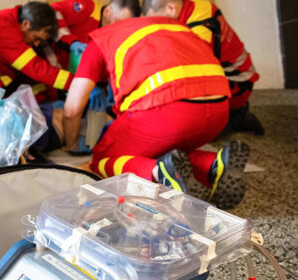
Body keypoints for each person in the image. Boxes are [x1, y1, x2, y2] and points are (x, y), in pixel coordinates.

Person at [62, 15, 249, 209]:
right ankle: (214, 165)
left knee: (103, 159)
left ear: (109, 14)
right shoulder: (174, 27)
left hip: (168, 112)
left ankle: (159, 172)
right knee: (172, 153)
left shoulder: (103, 37)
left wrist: (70, 145)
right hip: (219, 109)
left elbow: (72, 109)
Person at [142, 0, 263, 135]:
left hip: (237, 83)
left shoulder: (200, 28)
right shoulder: (196, 7)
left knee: (191, 127)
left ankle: (235, 116)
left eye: (158, 20)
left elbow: (193, 73)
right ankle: (233, 116)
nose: (157, 26)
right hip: (236, 75)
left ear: (171, 8)